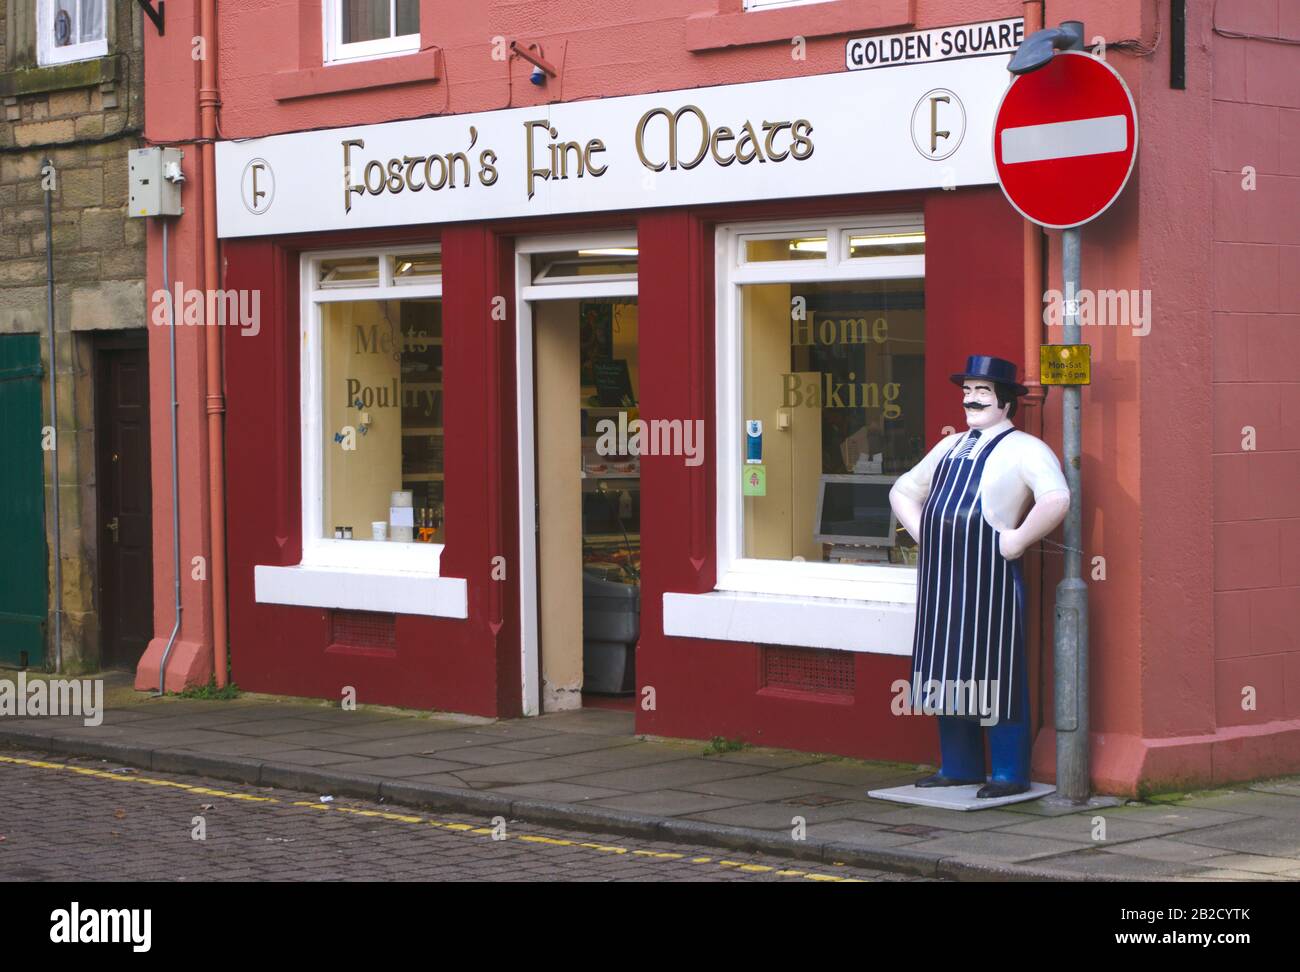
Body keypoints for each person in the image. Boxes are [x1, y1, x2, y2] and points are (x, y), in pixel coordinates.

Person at [889, 355, 1070, 798]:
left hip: (991, 578)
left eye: (982, 391)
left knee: (995, 671)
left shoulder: (1027, 449)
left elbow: (1055, 497)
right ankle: (959, 765)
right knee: (942, 669)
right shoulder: (949, 447)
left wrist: (1018, 539)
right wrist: (925, 532)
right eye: (968, 390)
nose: (971, 398)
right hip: (939, 580)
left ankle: (1008, 772)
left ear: (1006, 402)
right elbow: (903, 490)